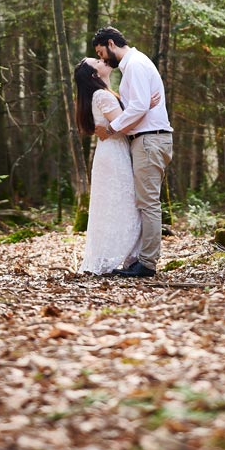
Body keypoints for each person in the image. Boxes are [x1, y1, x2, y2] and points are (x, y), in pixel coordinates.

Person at [91, 26, 173, 279]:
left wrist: (111, 128)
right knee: (145, 201)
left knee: (148, 203)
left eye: (101, 51)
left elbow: (137, 106)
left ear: (111, 43)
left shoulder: (135, 65)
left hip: (150, 140)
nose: (102, 58)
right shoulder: (133, 66)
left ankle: (147, 263)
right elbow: (139, 105)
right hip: (147, 140)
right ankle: (141, 259)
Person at [73, 56, 143, 275]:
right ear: (95, 74)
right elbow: (125, 125)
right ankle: (126, 255)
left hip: (108, 152)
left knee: (112, 203)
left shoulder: (98, 95)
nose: (103, 61)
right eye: (98, 62)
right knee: (124, 202)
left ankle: (116, 254)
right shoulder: (102, 95)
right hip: (114, 153)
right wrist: (146, 107)